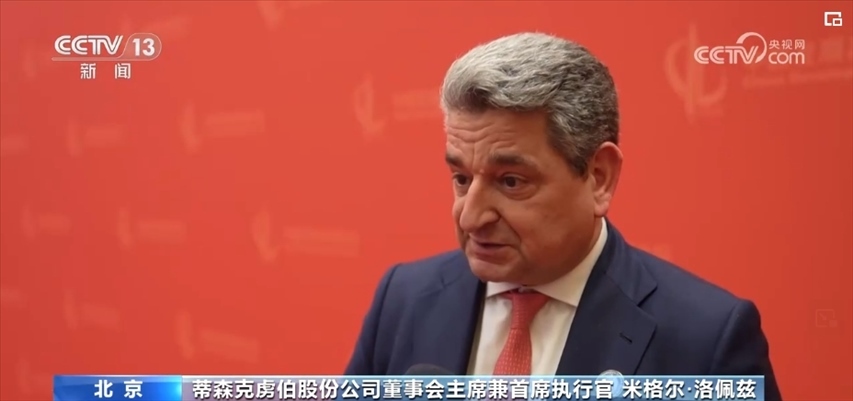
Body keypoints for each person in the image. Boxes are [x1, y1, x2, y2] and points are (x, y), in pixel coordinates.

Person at [344, 32, 781, 400]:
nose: (471, 217)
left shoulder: (706, 341)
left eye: (511, 181)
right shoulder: (404, 299)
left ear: (598, 177)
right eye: (461, 178)